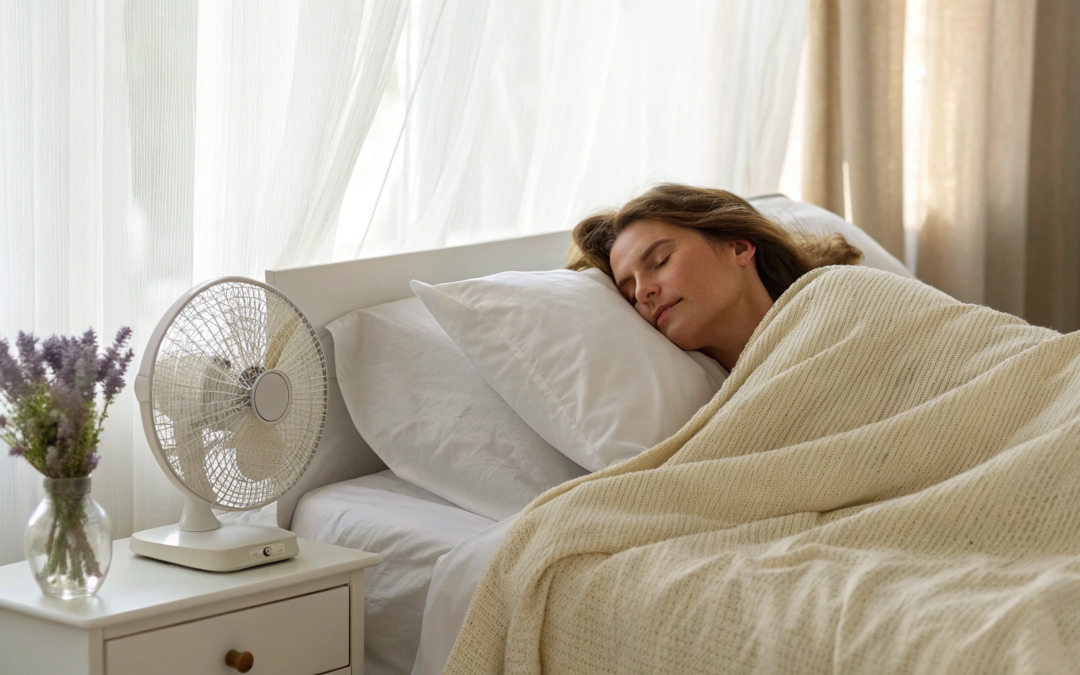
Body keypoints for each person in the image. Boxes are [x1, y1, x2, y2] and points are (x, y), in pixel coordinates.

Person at [568, 183, 862, 372]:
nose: (643, 292)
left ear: (739, 248)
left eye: (661, 261)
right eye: (630, 294)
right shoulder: (717, 416)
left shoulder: (857, 307)